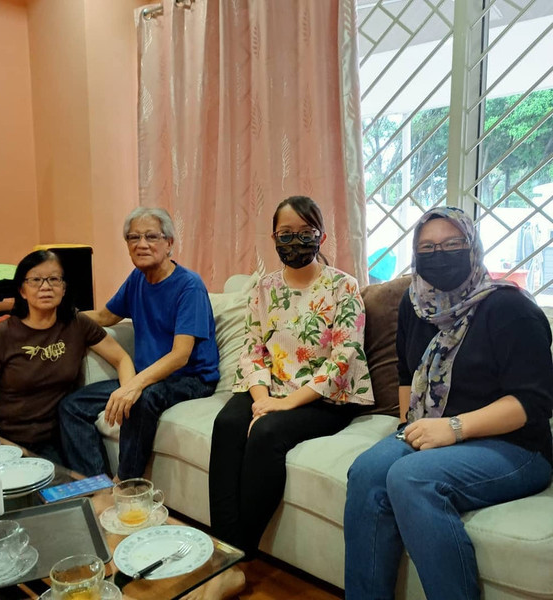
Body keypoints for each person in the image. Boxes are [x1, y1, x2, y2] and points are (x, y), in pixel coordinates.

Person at [343, 206, 553, 600]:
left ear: (472, 247)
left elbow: (533, 403)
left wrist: (454, 428)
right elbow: (407, 374)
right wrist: (410, 426)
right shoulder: (415, 304)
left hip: (515, 446)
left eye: (452, 244)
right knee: (369, 470)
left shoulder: (509, 308)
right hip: (435, 430)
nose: (439, 254)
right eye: (428, 247)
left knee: (411, 478)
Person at [187, 196, 374, 600]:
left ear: (321, 236)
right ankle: (225, 554)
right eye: (285, 235)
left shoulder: (344, 286)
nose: (294, 242)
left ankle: (237, 556)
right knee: (229, 422)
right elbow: (253, 349)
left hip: (325, 397)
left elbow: (344, 357)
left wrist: (283, 405)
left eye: (304, 234)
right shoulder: (265, 288)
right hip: (268, 386)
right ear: (273, 238)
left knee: (267, 432)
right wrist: (260, 398)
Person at [59, 207, 219, 478]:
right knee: (72, 407)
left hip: (191, 378)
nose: (141, 244)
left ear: (169, 244)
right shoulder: (138, 279)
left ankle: (127, 485)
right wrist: (58, 319)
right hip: (150, 375)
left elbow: (181, 355)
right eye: (133, 238)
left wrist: (134, 385)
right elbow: (106, 316)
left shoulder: (189, 286)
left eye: (151, 237)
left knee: (139, 399)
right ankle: (96, 483)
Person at [0, 250, 134, 464]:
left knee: (88, 490)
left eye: (54, 279)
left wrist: (128, 394)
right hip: (10, 440)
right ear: (22, 290)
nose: (46, 287)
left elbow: (121, 359)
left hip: (62, 439)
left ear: (64, 288)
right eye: (36, 280)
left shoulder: (77, 324)